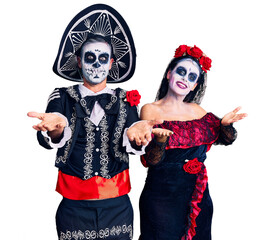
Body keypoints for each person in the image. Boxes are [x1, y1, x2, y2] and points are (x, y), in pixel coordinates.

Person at [27, 4, 155, 240]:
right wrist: (56, 129)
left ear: (111, 63)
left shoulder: (127, 100)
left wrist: (137, 137)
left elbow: (136, 142)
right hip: (74, 205)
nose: (96, 64)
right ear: (79, 60)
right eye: (90, 57)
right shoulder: (61, 96)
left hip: (118, 204)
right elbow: (51, 132)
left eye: (102, 58)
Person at [139, 44, 247, 240]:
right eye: (181, 72)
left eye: (191, 77)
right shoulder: (150, 110)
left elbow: (225, 139)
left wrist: (224, 124)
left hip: (198, 197)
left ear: (195, 85)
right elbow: (151, 159)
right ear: (169, 74)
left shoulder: (198, 111)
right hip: (162, 198)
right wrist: (161, 141)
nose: (184, 79)